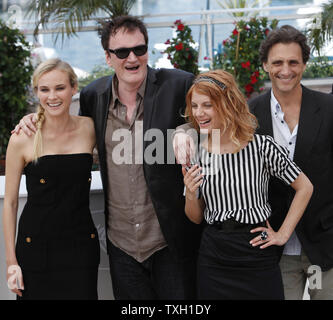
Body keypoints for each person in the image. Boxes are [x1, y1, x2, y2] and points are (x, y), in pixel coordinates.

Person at [13, 15, 202, 300]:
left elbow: (215, 116)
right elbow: (65, 126)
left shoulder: (178, 85)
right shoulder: (93, 96)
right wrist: (33, 119)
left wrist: (187, 130)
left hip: (170, 244)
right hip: (122, 247)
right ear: (108, 57)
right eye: (122, 52)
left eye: (139, 49)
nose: (132, 58)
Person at [182, 69, 313, 299]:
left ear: (227, 103)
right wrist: (191, 194)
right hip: (214, 255)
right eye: (194, 106)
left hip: (256, 252)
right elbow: (195, 217)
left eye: (207, 105)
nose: (199, 113)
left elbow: (305, 187)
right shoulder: (197, 151)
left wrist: (282, 234)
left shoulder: (261, 146)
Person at [3, 58, 100, 300]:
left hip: (81, 247)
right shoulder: (23, 137)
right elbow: (10, 203)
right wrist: (11, 262)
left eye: (60, 88)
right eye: (44, 89)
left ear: (73, 88)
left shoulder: (90, 128)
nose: (52, 96)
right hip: (35, 249)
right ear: (36, 92)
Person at [248, 25, 333, 300]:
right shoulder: (249, 115)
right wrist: (180, 134)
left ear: (304, 64)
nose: (286, 70)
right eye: (278, 62)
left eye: (293, 62)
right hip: (275, 251)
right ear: (265, 66)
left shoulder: (329, 109)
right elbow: (207, 130)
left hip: (325, 249)